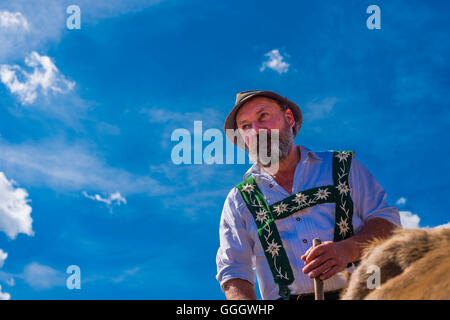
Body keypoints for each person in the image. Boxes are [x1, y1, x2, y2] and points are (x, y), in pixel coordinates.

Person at [215, 90, 401, 300]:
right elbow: (234, 270)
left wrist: (347, 250)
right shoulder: (239, 200)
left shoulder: (342, 167)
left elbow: (389, 223)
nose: (256, 131)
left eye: (263, 116)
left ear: (289, 118)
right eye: (246, 126)